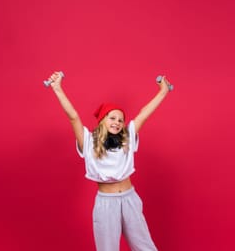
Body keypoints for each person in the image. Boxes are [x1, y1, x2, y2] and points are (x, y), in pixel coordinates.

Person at [46, 71, 173, 251]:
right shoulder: (88, 141)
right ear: (102, 120)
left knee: (145, 247)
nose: (117, 122)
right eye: (112, 118)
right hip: (106, 203)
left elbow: (144, 114)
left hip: (129, 199)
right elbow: (73, 116)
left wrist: (163, 92)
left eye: (121, 120)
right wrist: (57, 88)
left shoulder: (127, 138)